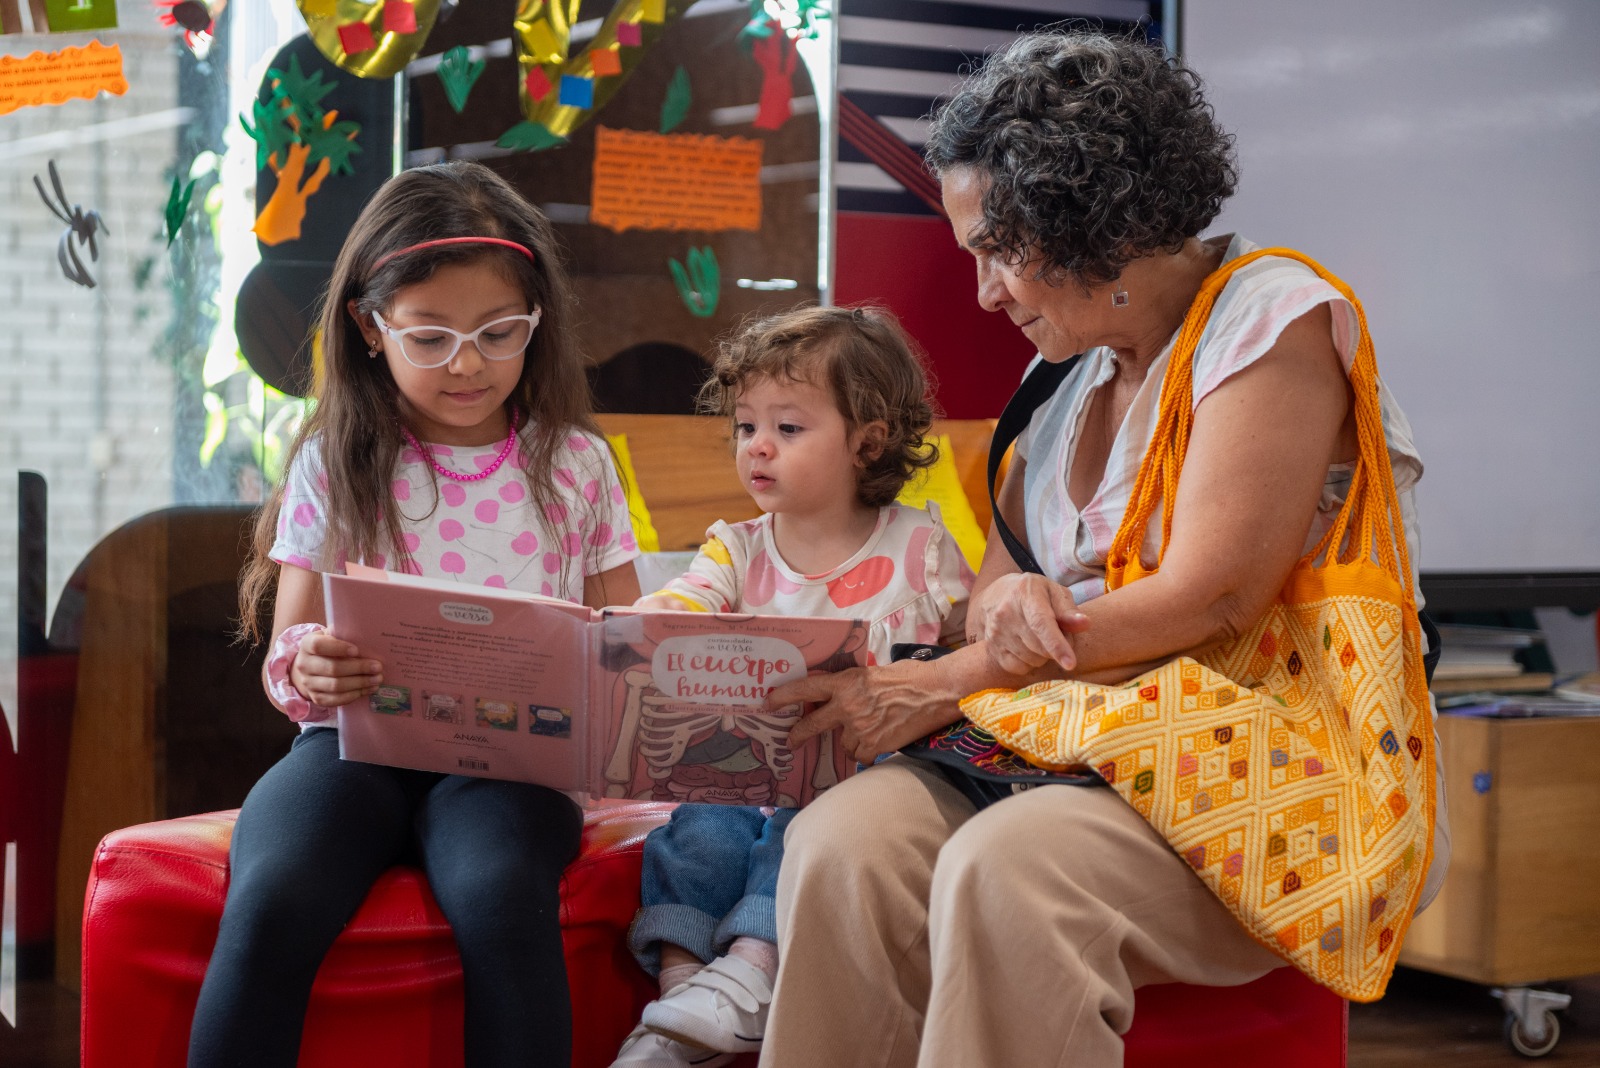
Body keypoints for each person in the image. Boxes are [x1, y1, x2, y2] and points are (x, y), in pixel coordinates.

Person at [756, 30, 1451, 1068]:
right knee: (840, 844)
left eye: (999, 250)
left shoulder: (1272, 319)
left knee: (1014, 868)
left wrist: (947, 677)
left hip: (1286, 763)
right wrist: (1004, 611)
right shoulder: (1062, 378)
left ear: (1094, 222)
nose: (986, 292)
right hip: (1090, 748)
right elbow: (992, 601)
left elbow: (1212, 599)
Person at [191, 160, 642, 1068]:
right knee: (274, 893)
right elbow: (288, 654)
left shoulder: (577, 465)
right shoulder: (337, 458)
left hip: (513, 764)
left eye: (498, 333)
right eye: (430, 337)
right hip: (350, 750)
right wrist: (309, 665)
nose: (467, 363)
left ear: (537, 321)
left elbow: (626, 647)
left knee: (500, 891)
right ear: (371, 326)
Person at [611, 306, 974, 1068]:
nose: (758, 446)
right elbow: (684, 602)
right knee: (697, 824)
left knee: (800, 831)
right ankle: (680, 994)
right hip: (740, 762)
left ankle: (754, 966)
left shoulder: (920, 545)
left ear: (866, 441)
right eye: (746, 426)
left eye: (788, 427)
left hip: (852, 771)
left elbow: (963, 645)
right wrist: (649, 622)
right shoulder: (736, 548)